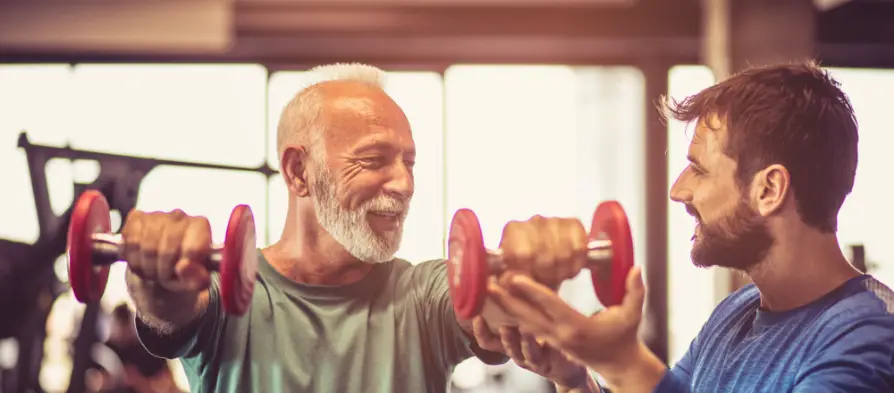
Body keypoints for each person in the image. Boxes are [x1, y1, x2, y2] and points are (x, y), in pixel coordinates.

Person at [119, 63, 586, 393]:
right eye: (374, 159)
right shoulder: (228, 293)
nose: (404, 184)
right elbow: (168, 305)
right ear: (299, 171)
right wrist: (154, 269)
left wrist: (522, 279)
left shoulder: (422, 295)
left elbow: (486, 315)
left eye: (409, 163)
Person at [485, 61, 894, 393]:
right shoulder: (737, 312)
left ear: (769, 189)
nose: (678, 190)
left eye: (698, 169)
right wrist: (576, 380)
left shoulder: (870, 336)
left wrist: (625, 363)